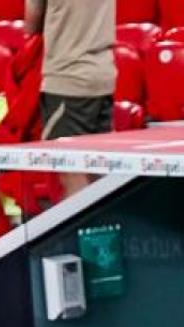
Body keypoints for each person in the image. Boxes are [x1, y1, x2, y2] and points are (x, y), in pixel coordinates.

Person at [24, 0, 115, 196]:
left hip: (68, 78)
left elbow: (31, 24)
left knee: (71, 169)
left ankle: (82, 217)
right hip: (103, 76)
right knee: (96, 168)